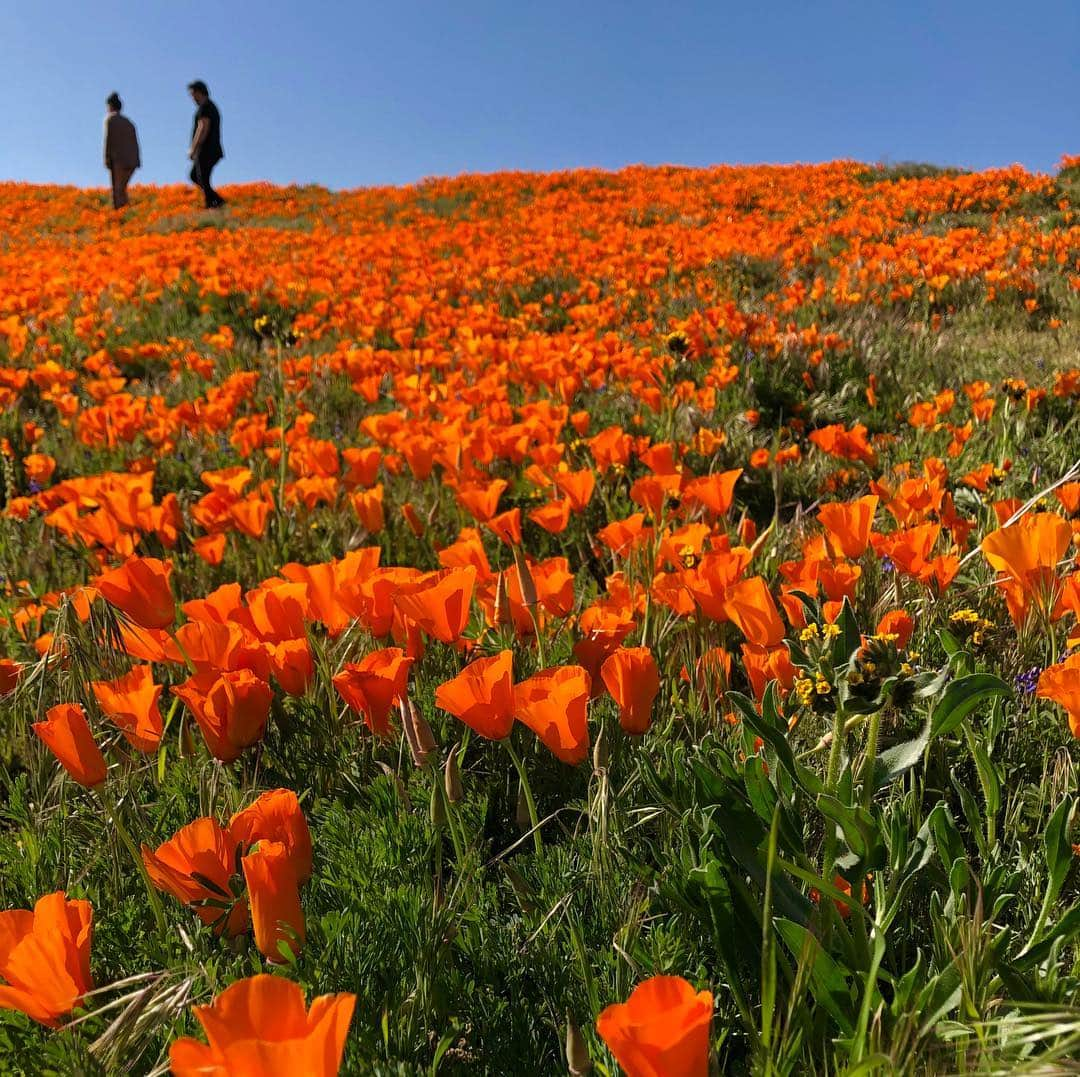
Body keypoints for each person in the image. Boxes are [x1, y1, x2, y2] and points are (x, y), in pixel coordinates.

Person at [187, 80, 225, 208]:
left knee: (201, 177)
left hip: (208, 150)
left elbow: (203, 128)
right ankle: (216, 202)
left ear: (199, 92)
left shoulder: (206, 107)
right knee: (196, 176)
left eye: (193, 94)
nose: (192, 98)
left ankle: (214, 204)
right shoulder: (210, 106)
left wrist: (194, 147)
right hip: (211, 150)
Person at [103, 93, 140, 209]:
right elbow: (136, 143)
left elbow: (108, 140)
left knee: (117, 191)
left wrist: (106, 158)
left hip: (118, 160)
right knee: (122, 189)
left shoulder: (110, 119)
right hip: (132, 161)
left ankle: (119, 217)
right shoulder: (129, 123)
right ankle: (126, 214)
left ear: (110, 106)